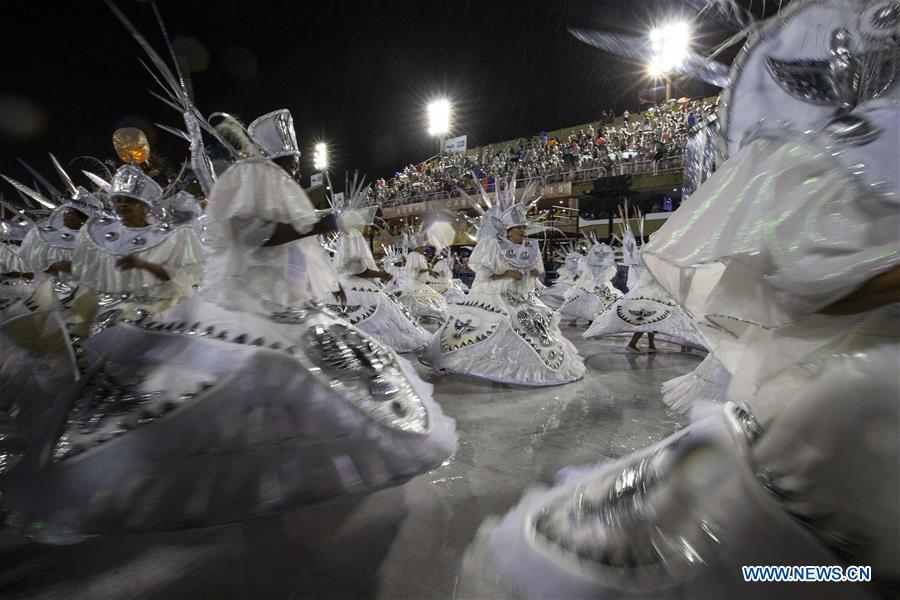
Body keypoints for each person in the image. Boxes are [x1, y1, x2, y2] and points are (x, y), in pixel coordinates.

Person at [458, 2, 899, 595]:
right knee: (807, 563)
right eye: (512, 232)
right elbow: (809, 280)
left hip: (854, 393)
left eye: (519, 232)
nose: (518, 237)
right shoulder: (860, 147)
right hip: (856, 396)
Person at [0, 108, 458, 540]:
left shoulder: (269, 182)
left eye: (298, 162)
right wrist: (328, 221)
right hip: (250, 302)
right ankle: (102, 473)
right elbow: (261, 235)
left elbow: (291, 249)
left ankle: (282, 462)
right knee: (222, 384)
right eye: (293, 160)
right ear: (279, 156)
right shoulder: (253, 180)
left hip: (286, 302)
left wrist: (324, 268)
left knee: (321, 379)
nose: (297, 168)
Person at [420, 176, 585, 386]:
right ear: (508, 230)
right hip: (493, 296)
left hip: (521, 298)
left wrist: (533, 273)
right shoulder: (492, 246)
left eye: (524, 229)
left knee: (531, 328)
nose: (523, 232)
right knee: (497, 325)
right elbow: (482, 275)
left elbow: (535, 274)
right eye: (519, 229)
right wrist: (506, 274)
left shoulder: (529, 248)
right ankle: (468, 361)